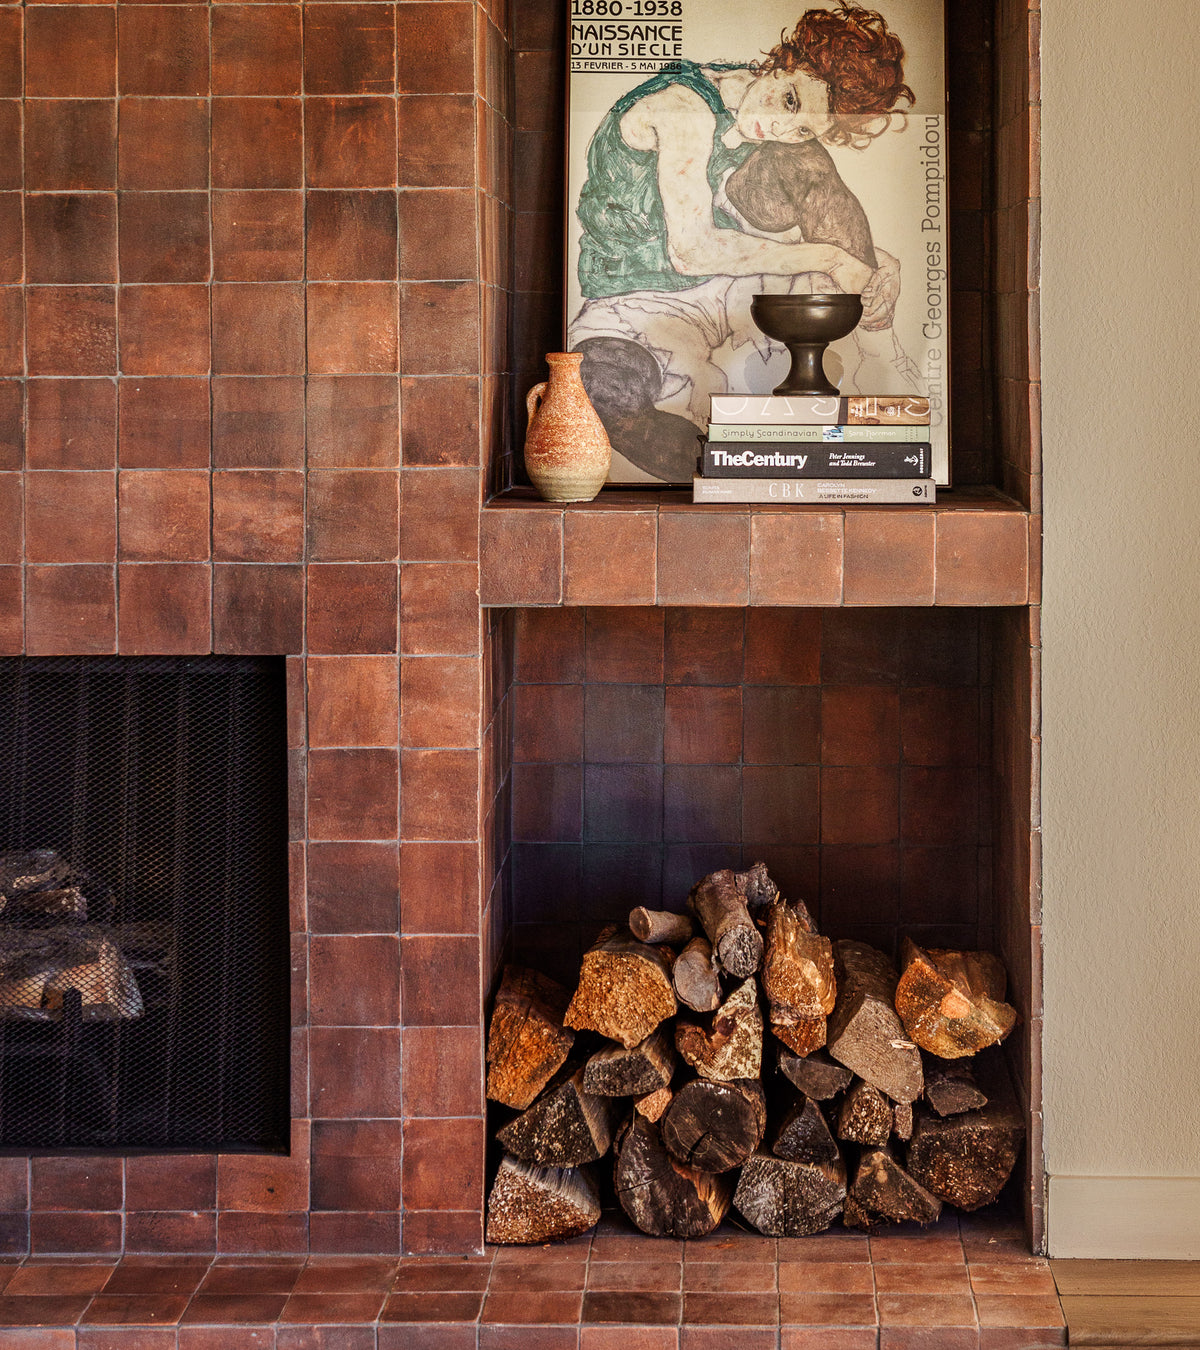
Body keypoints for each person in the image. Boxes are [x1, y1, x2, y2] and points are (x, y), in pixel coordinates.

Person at [568, 4, 918, 482]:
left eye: (802, 126)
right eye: (790, 101)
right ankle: (751, 472)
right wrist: (832, 258)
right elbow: (691, 251)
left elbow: (778, 224)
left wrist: (876, 266)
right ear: (784, 62)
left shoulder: (760, 111)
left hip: (731, 279)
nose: (779, 128)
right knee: (605, 388)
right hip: (636, 297)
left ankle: (877, 369)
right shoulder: (684, 108)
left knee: (806, 161)